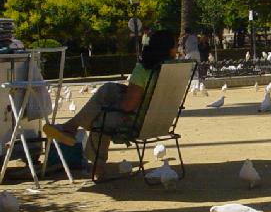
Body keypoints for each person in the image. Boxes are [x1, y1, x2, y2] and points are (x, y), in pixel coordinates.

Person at [43, 31, 177, 178]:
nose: (177, 49)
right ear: (167, 49)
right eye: (175, 46)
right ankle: (72, 126)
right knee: (108, 89)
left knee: (100, 120)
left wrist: (112, 106)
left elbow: (128, 106)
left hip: (136, 121)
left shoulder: (143, 70)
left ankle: (96, 164)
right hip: (159, 120)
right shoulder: (173, 70)